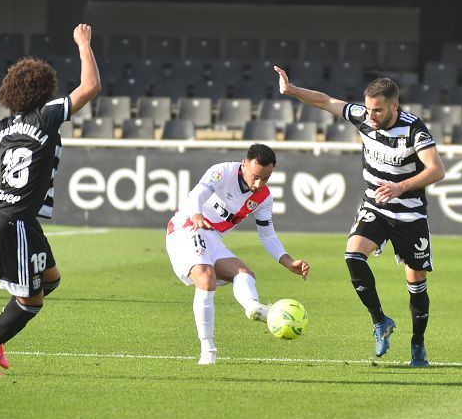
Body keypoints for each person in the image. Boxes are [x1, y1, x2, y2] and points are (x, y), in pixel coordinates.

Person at [0, 24, 101, 375]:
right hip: (13, 221)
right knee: (31, 303)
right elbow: (91, 87)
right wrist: (83, 43)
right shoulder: (45, 117)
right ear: (45, 89)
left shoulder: (3, 126)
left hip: (16, 220)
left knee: (51, 280)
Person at [274, 67, 445, 367]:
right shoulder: (364, 117)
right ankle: (380, 321)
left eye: (378, 110)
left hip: (410, 214)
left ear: (395, 105)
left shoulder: (414, 130)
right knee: (353, 255)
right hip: (376, 206)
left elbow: (437, 170)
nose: (372, 116)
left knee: (416, 283)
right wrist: (293, 90)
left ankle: (417, 343)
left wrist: (400, 186)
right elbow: (326, 101)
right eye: (368, 109)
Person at [166, 143, 310, 365]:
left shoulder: (263, 197)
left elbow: (268, 236)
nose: (259, 183)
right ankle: (208, 351)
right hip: (186, 227)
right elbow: (197, 193)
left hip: (212, 237)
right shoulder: (223, 172)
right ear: (244, 164)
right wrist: (196, 214)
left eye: (266, 178)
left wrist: (288, 262)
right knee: (206, 279)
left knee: (244, 273)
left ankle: (254, 308)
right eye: (255, 176)